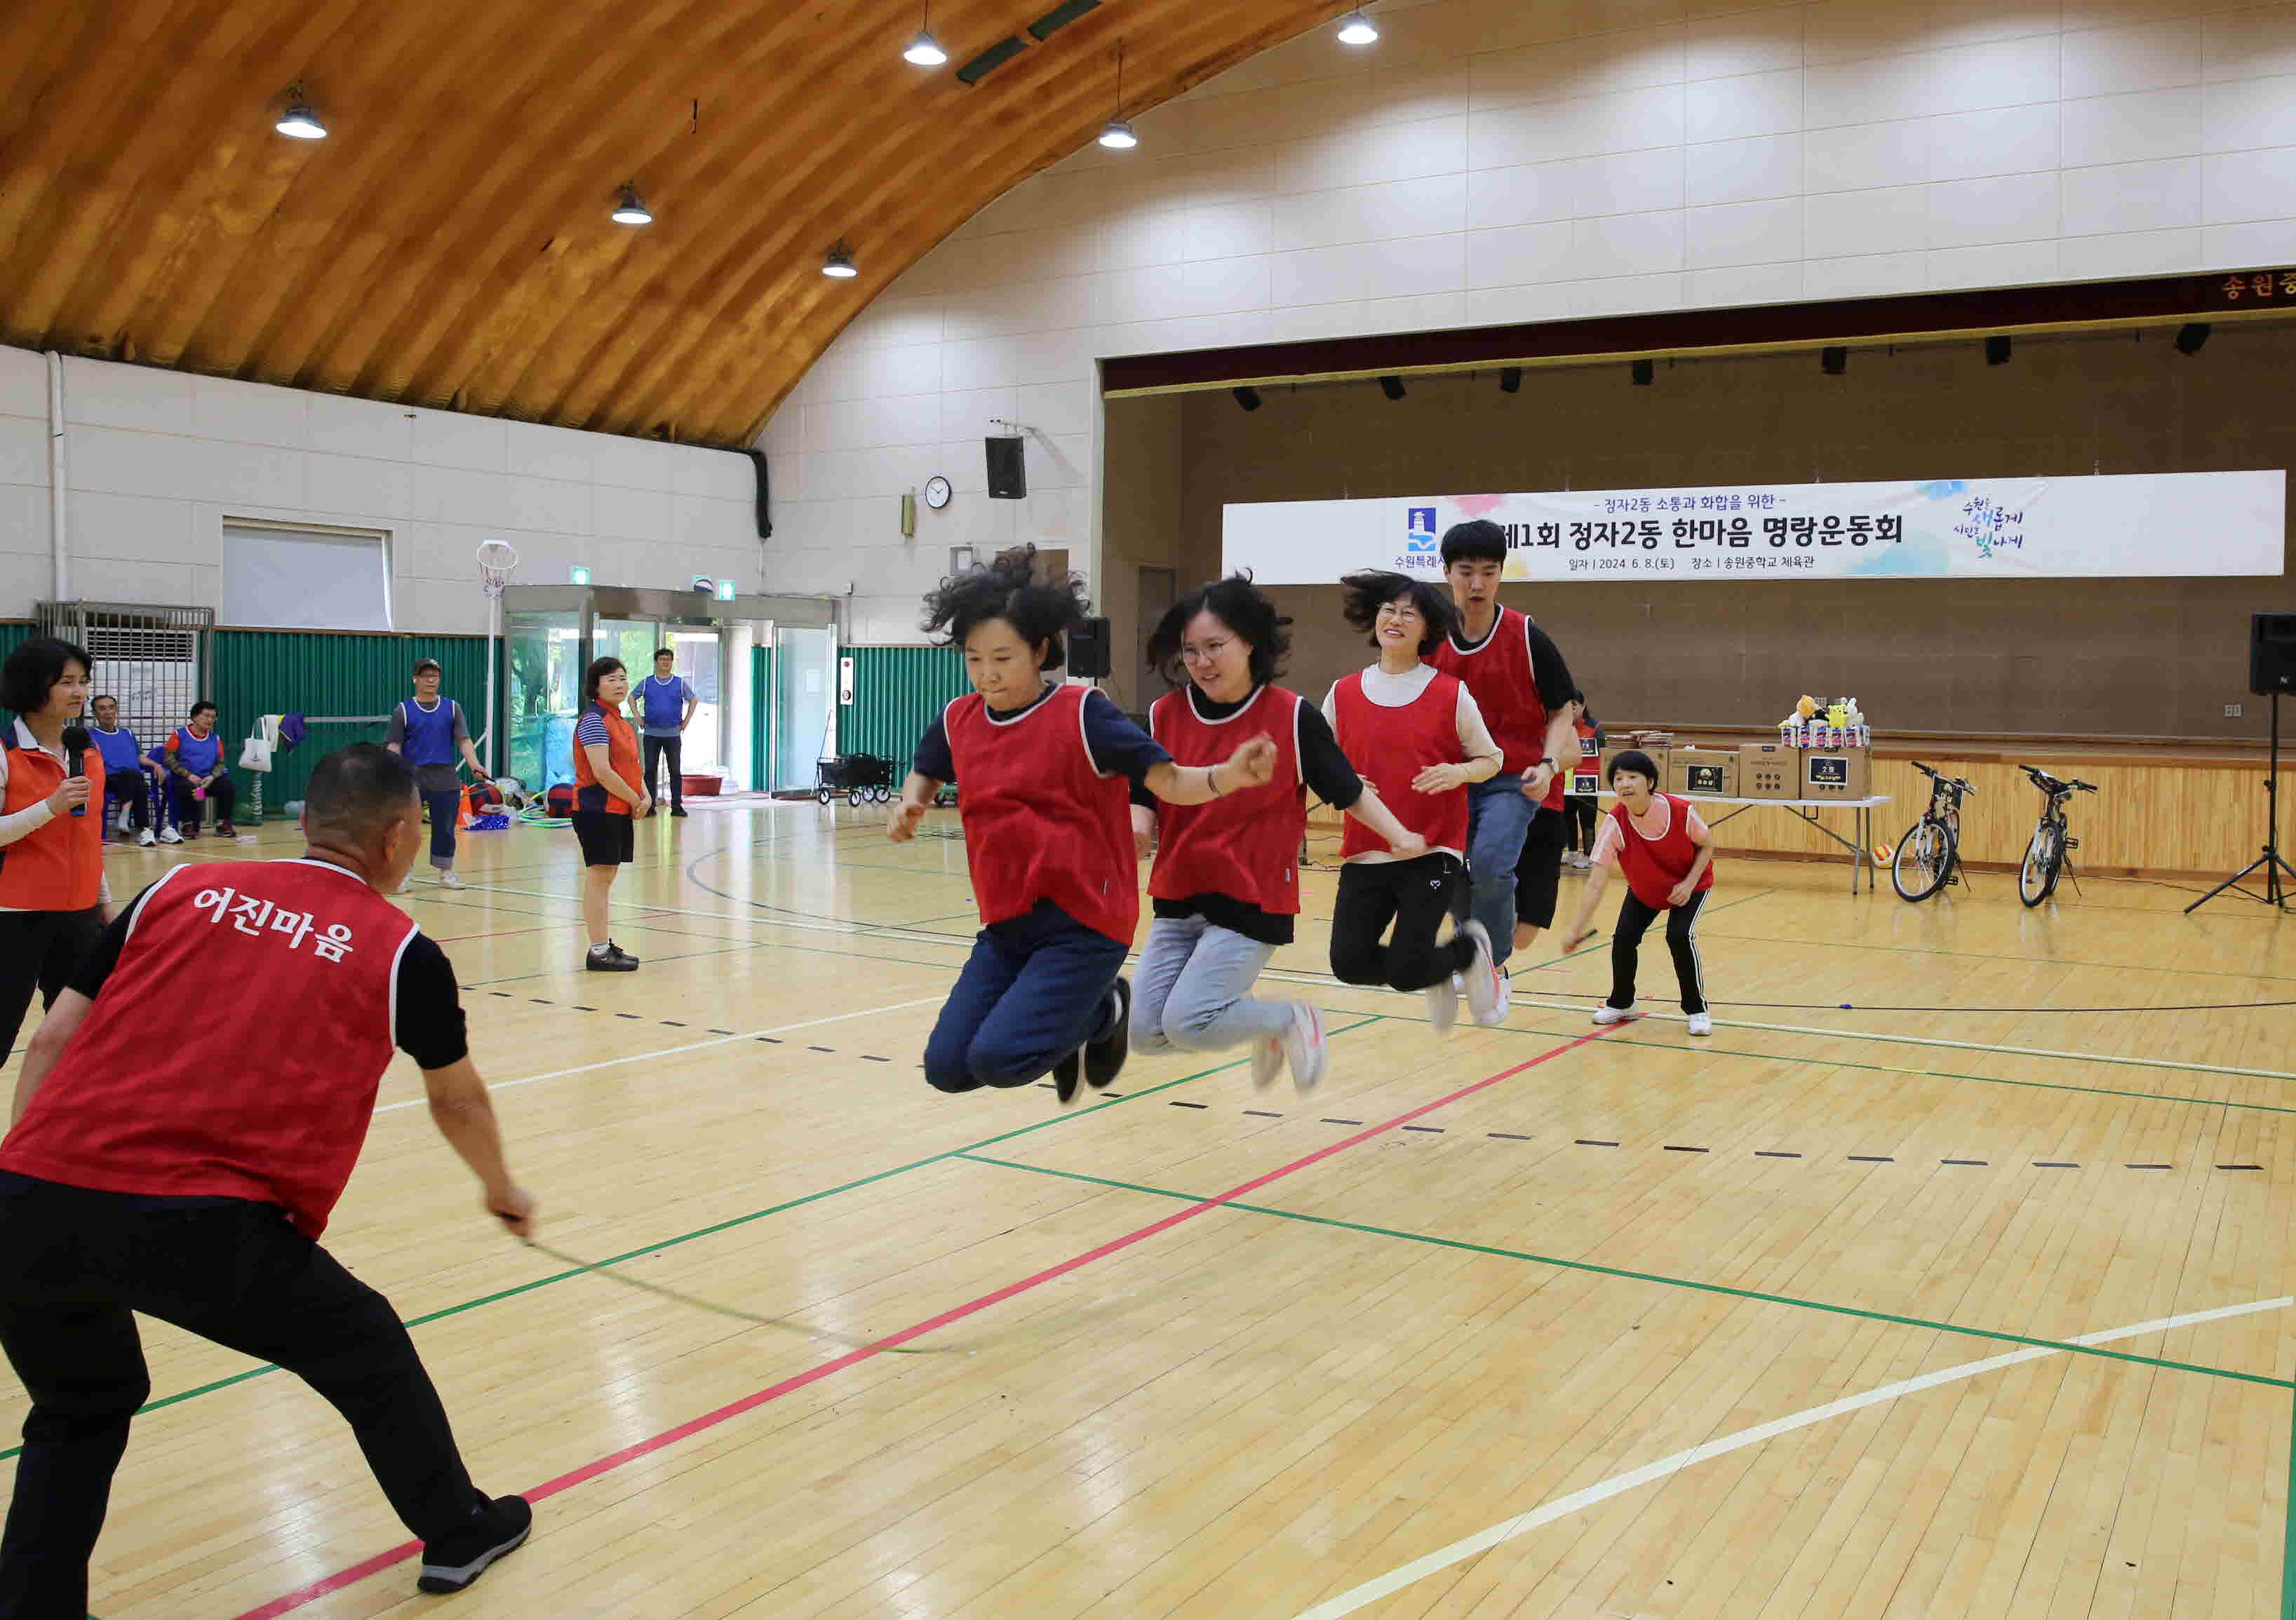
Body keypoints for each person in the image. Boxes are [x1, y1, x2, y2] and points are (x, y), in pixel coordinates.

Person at [0, 744, 537, 1614]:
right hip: (199, 1221)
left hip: (27, 1194)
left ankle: (31, 1604)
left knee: (81, 1400)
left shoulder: (174, 889)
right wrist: (501, 1188)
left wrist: (30, 1168)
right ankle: (457, 1529)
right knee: (367, 1347)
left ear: (308, 818)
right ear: (401, 836)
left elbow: (54, 1037)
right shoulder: (402, 948)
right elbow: (458, 1100)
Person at [889, 546, 1276, 1105]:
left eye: (1002, 658)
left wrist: (1226, 776)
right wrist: (911, 802)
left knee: (1000, 1061)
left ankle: (1102, 1010)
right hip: (1006, 923)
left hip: (1084, 921)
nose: (987, 674)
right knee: (948, 1069)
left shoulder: (1082, 713)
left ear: (1040, 650)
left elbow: (1164, 781)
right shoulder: (959, 718)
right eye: (974, 659)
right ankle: (1097, 1011)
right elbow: (926, 767)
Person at [1131, 575, 1425, 1093]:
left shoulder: (1290, 716)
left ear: (1248, 642)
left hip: (1253, 895)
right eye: (1190, 651)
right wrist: (1137, 827)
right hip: (1178, 892)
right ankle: (1264, 1033)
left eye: (1214, 647)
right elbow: (1146, 789)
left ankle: (1289, 1020)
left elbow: (1345, 788)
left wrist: (1398, 834)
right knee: (1147, 1034)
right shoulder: (1164, 714)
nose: (1201, 662)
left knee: (1187, 1023)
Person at [1323, 571, 1503, 1034]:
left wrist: (1459, 771)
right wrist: (1339, 780)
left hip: (1432, 850)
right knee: (1348, 963)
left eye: (1409, 613)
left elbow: (1491, 758)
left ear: (1427, 629)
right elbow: (1317, 761)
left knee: (1405, 971)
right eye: (1388, 609)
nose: (1395, 619)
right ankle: (1443, 967)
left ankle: (1466, 951)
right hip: (1365, 849)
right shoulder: (1341, 692)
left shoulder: (1450, 692)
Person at [1428, 520, 1578, 1020]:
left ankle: (1491, 966)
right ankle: (1475, 956)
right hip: (1449, 776)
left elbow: (1561, 708)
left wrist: (1549, 762)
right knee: (1445, 869)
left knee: (1490, 864)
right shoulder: (1427, 637)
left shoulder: (1526, 635)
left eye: (1488, 573)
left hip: (1512, 778)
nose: (1476, 584)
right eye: (1465, 573)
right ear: (1445, 572)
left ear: (1499, 576)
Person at [0, 637, 114, 1070]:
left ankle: (60, 1135)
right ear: (34, 686)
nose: (80, 692)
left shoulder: (87, 750)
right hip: (14, 915)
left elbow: (87, 836)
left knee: (77, 1041)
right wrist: (50, 806)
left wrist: (103, 902)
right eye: (66, 682)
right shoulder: (4, 751)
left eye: (83, 681)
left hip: (80, 914)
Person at [1560, 748, 1715, 1036]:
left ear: (1650, 783)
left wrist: (1689, 883)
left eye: (1633, 777)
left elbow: (1707, 845)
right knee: (1623, 939)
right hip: (1647, 890)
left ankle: (1697, 1009)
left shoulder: (1680, 811)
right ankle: (1622, 1003)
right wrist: (1576, 928)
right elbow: (1596, 881)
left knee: (1679, 936)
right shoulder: (1615, 822)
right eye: (1618, 778)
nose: (1625, 784)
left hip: (1690, 885)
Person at [385, 658, 490, 893]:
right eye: (425, 675)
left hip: (445, 776)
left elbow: (464, 740)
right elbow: (394, 746)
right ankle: (404, 873)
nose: (431, 679)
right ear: (416, 679)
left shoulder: (452, 708)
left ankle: (446, 872)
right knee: (408, 828)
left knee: (444, 827)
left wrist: (476, 765)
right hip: (413, 775)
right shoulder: (403, 710)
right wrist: (392, 774)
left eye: (435, 675)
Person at [572, 657, 647, 971]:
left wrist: (644, 794)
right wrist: (635, 800)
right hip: (597, 808)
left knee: (607, 876)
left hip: (618, 807)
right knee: (599, 877)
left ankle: (603, 945)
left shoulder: (622, 722)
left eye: (623, 678)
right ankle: (599, 951)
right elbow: (602, 771)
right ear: (596, 686)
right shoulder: (593, 720)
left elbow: (630, 765)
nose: (619, 684)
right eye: (611, 679)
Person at [636, 647, 698, 818]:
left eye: (668, 659)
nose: (665, 662)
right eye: (662, 659)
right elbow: (631, 697)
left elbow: (693, 699)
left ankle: (677, 807)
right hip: (651, 734)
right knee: (650, 771)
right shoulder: (647, 682)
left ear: (672, 662)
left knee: (675, 771)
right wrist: (638, 718)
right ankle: (649, 806)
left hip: (673, 735)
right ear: (656, 662)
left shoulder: (679, 683)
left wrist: (686, 722)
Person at [162, 700, 236, 839]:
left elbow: (220, 764)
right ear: (195, 717)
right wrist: (188, 774)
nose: (210, 720)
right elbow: (169, 759)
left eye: (213, 717)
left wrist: (212, 777)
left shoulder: (216, 739)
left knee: (228, 786)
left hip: (206, 781)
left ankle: (222, 824)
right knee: (191, 788)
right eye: (206, 716)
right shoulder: (179, 735)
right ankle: (188, 824)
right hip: (185, 779)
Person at [87, 695, 154, 847]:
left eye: (111, 707)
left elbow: (140, 756)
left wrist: (156, 765)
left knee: (139, 783)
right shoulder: (90, 735)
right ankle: (143, 829)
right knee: (136, 779)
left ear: (116, 710)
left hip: (133, 779)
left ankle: (129, 814)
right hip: (108, 779)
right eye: (102, 708)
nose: (108, 712)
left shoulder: (127, 733)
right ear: (94, 713)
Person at [1561, 691, 1604, 872]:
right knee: (1567, 817)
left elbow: (1604, 755)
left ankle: (1589, 855)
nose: (1572, 710)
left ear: (1583, 706)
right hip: (1568, 780)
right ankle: (1571, 851)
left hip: (1588, 782)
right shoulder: (1562, 725)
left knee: (1587, 819)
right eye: (1568, 706)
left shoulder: (1595, 727)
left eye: (1575, 706)